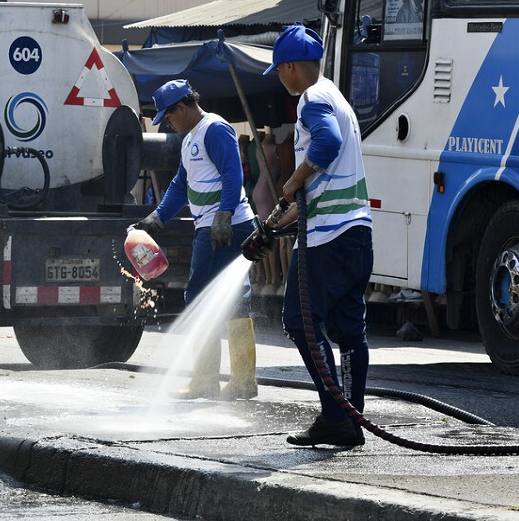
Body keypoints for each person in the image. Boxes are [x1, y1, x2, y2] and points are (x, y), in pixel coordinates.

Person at [262, 23, 373, 446]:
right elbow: (325, 189)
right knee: (349, 331)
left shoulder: (311, 99)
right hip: (356, 232)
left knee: (299, 320)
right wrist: (272, 226)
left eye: (279, 71)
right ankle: (351, 421)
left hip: (328, 239)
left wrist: (293, 179)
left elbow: (325, 146)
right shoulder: (338, 98)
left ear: (291, 66)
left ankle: (334, 416)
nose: (279, 79)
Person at [135, 79, 258, 400]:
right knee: (226, 298)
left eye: (170, 116)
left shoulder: (215, 129)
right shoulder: (191, 136)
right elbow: (180, 184)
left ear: (182, 107)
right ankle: (237, 381)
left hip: (226, 226)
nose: (169, 124)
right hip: (216, 225)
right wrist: (158, 217)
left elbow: (233, 173)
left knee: (201, 297)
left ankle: (214, 380)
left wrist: (224, 216)